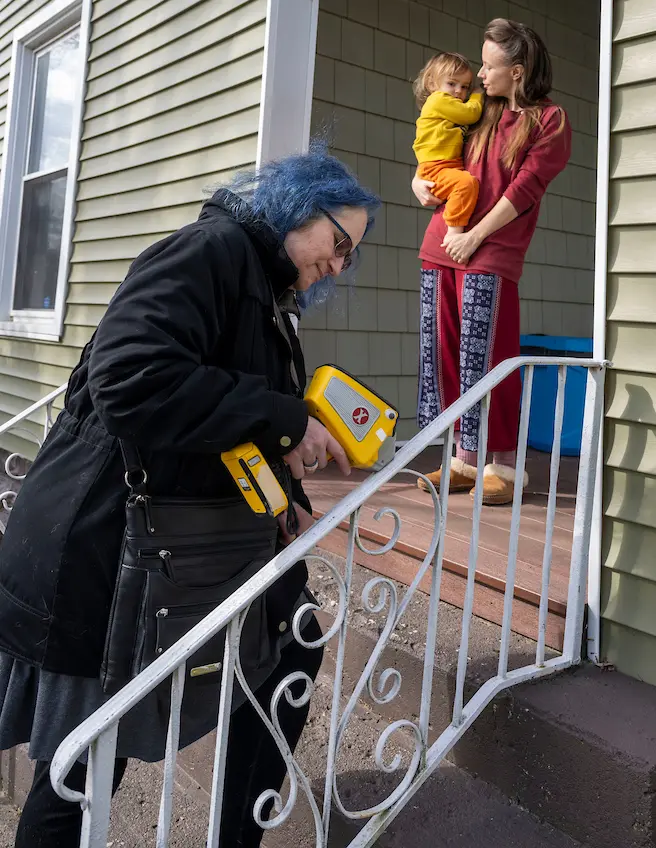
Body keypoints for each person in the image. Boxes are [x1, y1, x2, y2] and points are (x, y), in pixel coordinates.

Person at [0, 148, 379, 848]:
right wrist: (287, 417)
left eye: (351, 256)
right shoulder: (210, 252)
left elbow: (223, 413)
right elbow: (130, 380)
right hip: (108, 545)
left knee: (289, 645)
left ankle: (236, 835)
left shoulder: (266, 292)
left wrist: (285, 493)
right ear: (300, 208)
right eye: (340, 243)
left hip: (193, 546)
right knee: (85, 764)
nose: (340, 264)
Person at [413, 19, 571, 506]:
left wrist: (477, 235)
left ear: (517, 72)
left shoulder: (549, 121)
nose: (480, 73)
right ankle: (463, 459)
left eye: (489, 65)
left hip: (489, 252)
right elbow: (435, 145)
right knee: (444, 355)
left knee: (490, 359)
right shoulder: (478, 113)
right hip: (442, 242)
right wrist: (416, 182)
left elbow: (524, 190)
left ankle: (503, 463)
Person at [411, 51, 484, 236]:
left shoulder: (450, 105)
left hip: (445, 165)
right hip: (436, 167)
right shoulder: (438, 100)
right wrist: (477, 95)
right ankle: (454, 231)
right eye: (451, 83)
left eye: (465, 86)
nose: (459, 91)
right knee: (465, 184)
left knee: (463, 185)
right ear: (432, 83)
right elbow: (471, 114)